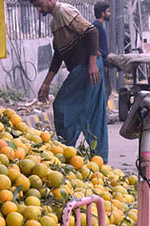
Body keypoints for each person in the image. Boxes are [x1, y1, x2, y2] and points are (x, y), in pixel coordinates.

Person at [33, 0, 108, 162]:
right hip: (82, 67)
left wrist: (93, 63)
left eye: (39, 4)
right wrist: (46, 83)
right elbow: (58, 55)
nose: (39, 10)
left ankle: (66, 152)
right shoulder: (55, 23)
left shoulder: (64, 11)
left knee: (62, 106)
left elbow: (92, 32)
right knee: (92, 112)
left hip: (87, 66)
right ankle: (99, 159)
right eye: (36, 7)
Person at [92, 1, 111, 104]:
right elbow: (95, 47)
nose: (109, 14)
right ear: (102, 13)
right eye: (108, 11)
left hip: (102, 63)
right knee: (105, 91)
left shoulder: (99, 26)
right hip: (100, 64)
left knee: (106, 90)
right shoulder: (97, 26)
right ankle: (101, 117)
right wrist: (106, 55)